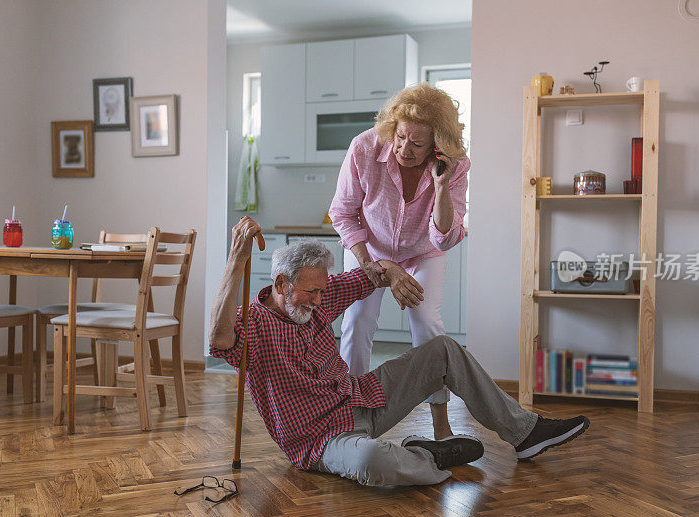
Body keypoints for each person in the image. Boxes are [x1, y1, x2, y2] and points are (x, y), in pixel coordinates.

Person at [209, 217, 590, 487]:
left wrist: (391, 273)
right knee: (373, 462)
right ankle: (422, 454)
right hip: (322, 441)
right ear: (280, 283)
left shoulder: (320, 300)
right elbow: (219, 339)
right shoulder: (253, 324)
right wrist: (235, 260)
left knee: (441, 348)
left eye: (323, 291)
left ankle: (525, 432)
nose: (319, 300)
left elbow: (369, 273)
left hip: (362, 399)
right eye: (311, 291)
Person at [329, 83, 470, 440]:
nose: (405, 149)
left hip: (423, 250)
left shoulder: (456, 166)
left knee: (425, 320)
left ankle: (441, 421)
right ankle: (351, 414)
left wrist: (441, 186)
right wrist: (370, 264)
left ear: (437, 145)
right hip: (369, 248)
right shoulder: (364, 147)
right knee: (358, 320)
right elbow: (342, 213)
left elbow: (447, 237)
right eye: (401, 138)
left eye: (417, 144)